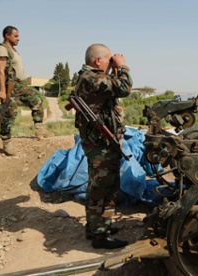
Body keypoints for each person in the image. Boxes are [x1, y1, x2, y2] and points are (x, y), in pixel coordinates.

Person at [72, 44, 132, 249]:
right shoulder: (93, 78)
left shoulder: (89, 77)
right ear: (98, 61)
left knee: (98, 186)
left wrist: (114, 69)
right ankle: (100, 235)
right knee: (105, 187)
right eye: (108, 59)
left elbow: (113, 87)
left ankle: (97, 226)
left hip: (98, 142)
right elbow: (124, 88)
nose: (111, 62)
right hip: (101, 144)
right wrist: (122, 66)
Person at [0, 25, 52, 155]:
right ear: (7, 36)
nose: (19, 38)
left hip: (19, 85)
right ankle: (6, 142)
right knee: (9, 112)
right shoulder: (1, 49)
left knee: (37, 100)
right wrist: (2, 91)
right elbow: (1, 71)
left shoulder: (12, 50)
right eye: (16, 36)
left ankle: (39, 129)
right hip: (9, 87)